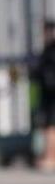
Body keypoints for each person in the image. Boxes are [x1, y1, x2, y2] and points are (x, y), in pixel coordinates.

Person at [33, 20, 55, 171]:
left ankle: (50, 157)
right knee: (47, 126)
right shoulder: (47, 49)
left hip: (51, 93)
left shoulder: (51, 50)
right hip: (46, 93)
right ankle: (48, 156)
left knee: (50, 126)